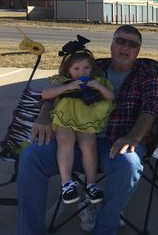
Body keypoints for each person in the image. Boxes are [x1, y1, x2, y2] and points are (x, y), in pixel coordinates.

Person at [16, 25, 158, 235]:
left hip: (116, 143)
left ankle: (104, 228)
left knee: (129, 165)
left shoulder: (146, 73)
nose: (125, 47)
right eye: (120, 41)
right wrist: (44, 115)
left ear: (138, 51)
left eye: (133, 44)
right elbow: (59, 89)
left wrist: (133, 137)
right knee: (32, 155)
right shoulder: (92, 66)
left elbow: (152, 107)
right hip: (74, 139)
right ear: (111, 44)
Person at [42, 35, 115, 205]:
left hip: (86, 119)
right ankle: (66, 183)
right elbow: (45, 94)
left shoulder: (96, 81)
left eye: (86, 68)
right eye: (77, 69)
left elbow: (111, 97)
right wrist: (66, 87)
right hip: (64, 119)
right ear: (68, 70)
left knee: (89, 145)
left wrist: (99, 87)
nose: (82, 72)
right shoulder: (62, 81)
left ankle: (91, 184)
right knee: (65, 141)